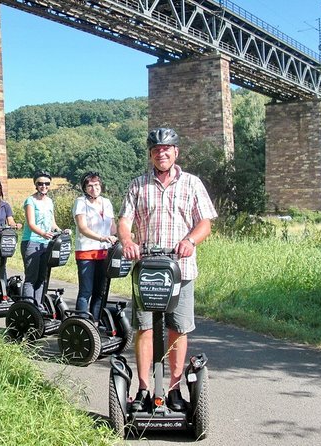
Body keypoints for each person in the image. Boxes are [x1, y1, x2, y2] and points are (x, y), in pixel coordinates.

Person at [117, 128, 217, 412]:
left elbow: (205, 223)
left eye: (167, 148)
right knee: (145, 328)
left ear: (176, 152)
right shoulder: (138, 185)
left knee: (178, 329)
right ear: (151, 154)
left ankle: (173, 389)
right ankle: (144, 389)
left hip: (181, 269)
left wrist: (190, 240)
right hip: (147, 269)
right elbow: (124, 220)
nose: (161, 153)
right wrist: (127, 241)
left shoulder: (192, 184)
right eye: (156, 149)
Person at [72, 171, 117, 323]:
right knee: (86, 290)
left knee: (100, 291)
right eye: (89, 185)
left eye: (96, 184)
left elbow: (112, 227)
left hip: (104, 252)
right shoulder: (81, 202)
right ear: (84, 188)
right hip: (86, 252)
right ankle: (82, 323)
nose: (94, 188)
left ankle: (95, 323)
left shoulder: (106, 203)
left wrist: (124, 235)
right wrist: (102, 238)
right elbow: (83, 228)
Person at [21, 170, 64, 309]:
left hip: (46, 244)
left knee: (42, 277)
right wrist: (43, 233)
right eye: (40, 183)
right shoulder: (30, 201)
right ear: (35, 184)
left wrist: (60, 231)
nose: (43, 186)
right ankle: (28, 308)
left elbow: (52, 223)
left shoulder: (50, 201)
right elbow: (31, 224)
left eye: (46, 183)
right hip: (32, 241)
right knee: (31, 277)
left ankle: (38, 306)